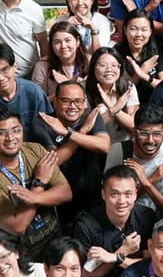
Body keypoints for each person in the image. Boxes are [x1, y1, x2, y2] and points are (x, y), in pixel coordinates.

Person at [0, 107, 71, 260]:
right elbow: (18, 226)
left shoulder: (36, 151)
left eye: (16, 130)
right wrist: (39, 184)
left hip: (54, 241)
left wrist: (33, 197)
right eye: (2, 133)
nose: (10, 138)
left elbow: (66, 193)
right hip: (19, 257)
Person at [30, 79, 110, 214]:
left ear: (85, 103)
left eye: (78, 101)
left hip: (93, 191)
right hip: (60, 193)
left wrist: (68, 133)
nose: (72, 106)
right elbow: (53, 162)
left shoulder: (91, 117)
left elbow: (104, 146)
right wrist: (83, 131)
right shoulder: (43, 121)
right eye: (66, 101)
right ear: (55, 102)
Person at [109, 104, 163, 216]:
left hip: (162, 220)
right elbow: (111, 201)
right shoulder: (119, 151)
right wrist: (152, 179)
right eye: (144, 134)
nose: (150, 140)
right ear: (134, 132)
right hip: (126, 216)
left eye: (157, 134)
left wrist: (147, 183)